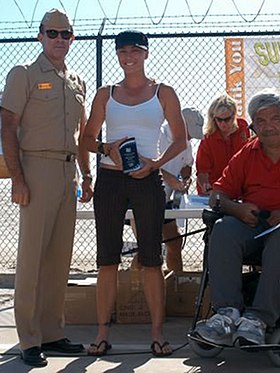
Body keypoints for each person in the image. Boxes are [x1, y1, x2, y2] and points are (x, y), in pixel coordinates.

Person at [82, 30, 186, 357]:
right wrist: (105, 148)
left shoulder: (163, 92)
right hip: (111, 181)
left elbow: (180, 140)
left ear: (146, 53)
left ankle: (157, 335)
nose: (129, 57)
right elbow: (85, 140)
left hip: (147, 180)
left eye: (135, 51)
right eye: (123, 51)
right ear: (117, 55)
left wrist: (155, 163)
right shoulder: (105, 94)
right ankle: (102, 335)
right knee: (107, 259)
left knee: (152, 259)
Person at [0, 9, 92, 368]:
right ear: (40, 36)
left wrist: (86, 173)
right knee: (32, 259)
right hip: (36, 168)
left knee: (58, 259)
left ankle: (53, 332)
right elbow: (8, 126)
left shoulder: (76, 81)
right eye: (52, 33)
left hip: (68, 172)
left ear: (72, 39)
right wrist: (19, 179)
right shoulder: (23, 74)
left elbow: (82, 137)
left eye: (65, 34)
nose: (58, 39)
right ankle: (29, 339)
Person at [194, 90, 280, 347]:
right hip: (253, 226)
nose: (268, 126)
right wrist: (236, 209)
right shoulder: (246, 154)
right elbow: (216, 196)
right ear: (253, 126)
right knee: (223, 229)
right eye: (261, 121)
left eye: (275, 118)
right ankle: (227, 313)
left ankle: (259, 318)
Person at [159, 107, 204, 272]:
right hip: (148, 198)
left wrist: (185, 179)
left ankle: (177, 281)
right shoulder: (159, 134)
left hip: (166, 200)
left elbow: (187, 164)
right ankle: (138, 286)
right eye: (190, 132)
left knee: (174, 243)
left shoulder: (186, 142)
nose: (191, 137)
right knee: (150, 247)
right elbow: (148, 164)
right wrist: (171, 179)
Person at [196, 93, 250, 195]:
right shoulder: (208, 138)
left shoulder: (243, 127)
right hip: (215, 188)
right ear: (213, 118)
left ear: (234, 115)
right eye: (219, 119)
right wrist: (206, 186)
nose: (223, 124)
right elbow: (202, 171)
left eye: (227, 119)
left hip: (240, 185)